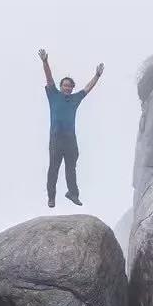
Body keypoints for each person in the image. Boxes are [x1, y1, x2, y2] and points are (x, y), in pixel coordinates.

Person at [38, 49, 104, 207]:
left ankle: (73, 194)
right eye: (65, 85)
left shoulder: (75, 99)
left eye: (69, 86)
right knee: (53, 168)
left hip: (70, 139)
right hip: (56, 138)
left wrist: (97, 75)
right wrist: (45, 61)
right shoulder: (53, 95)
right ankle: (51, 197)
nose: (67, 88)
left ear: (72, 88)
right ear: (61, 87)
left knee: (71, 168)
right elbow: (49, 78)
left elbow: (88, 88)